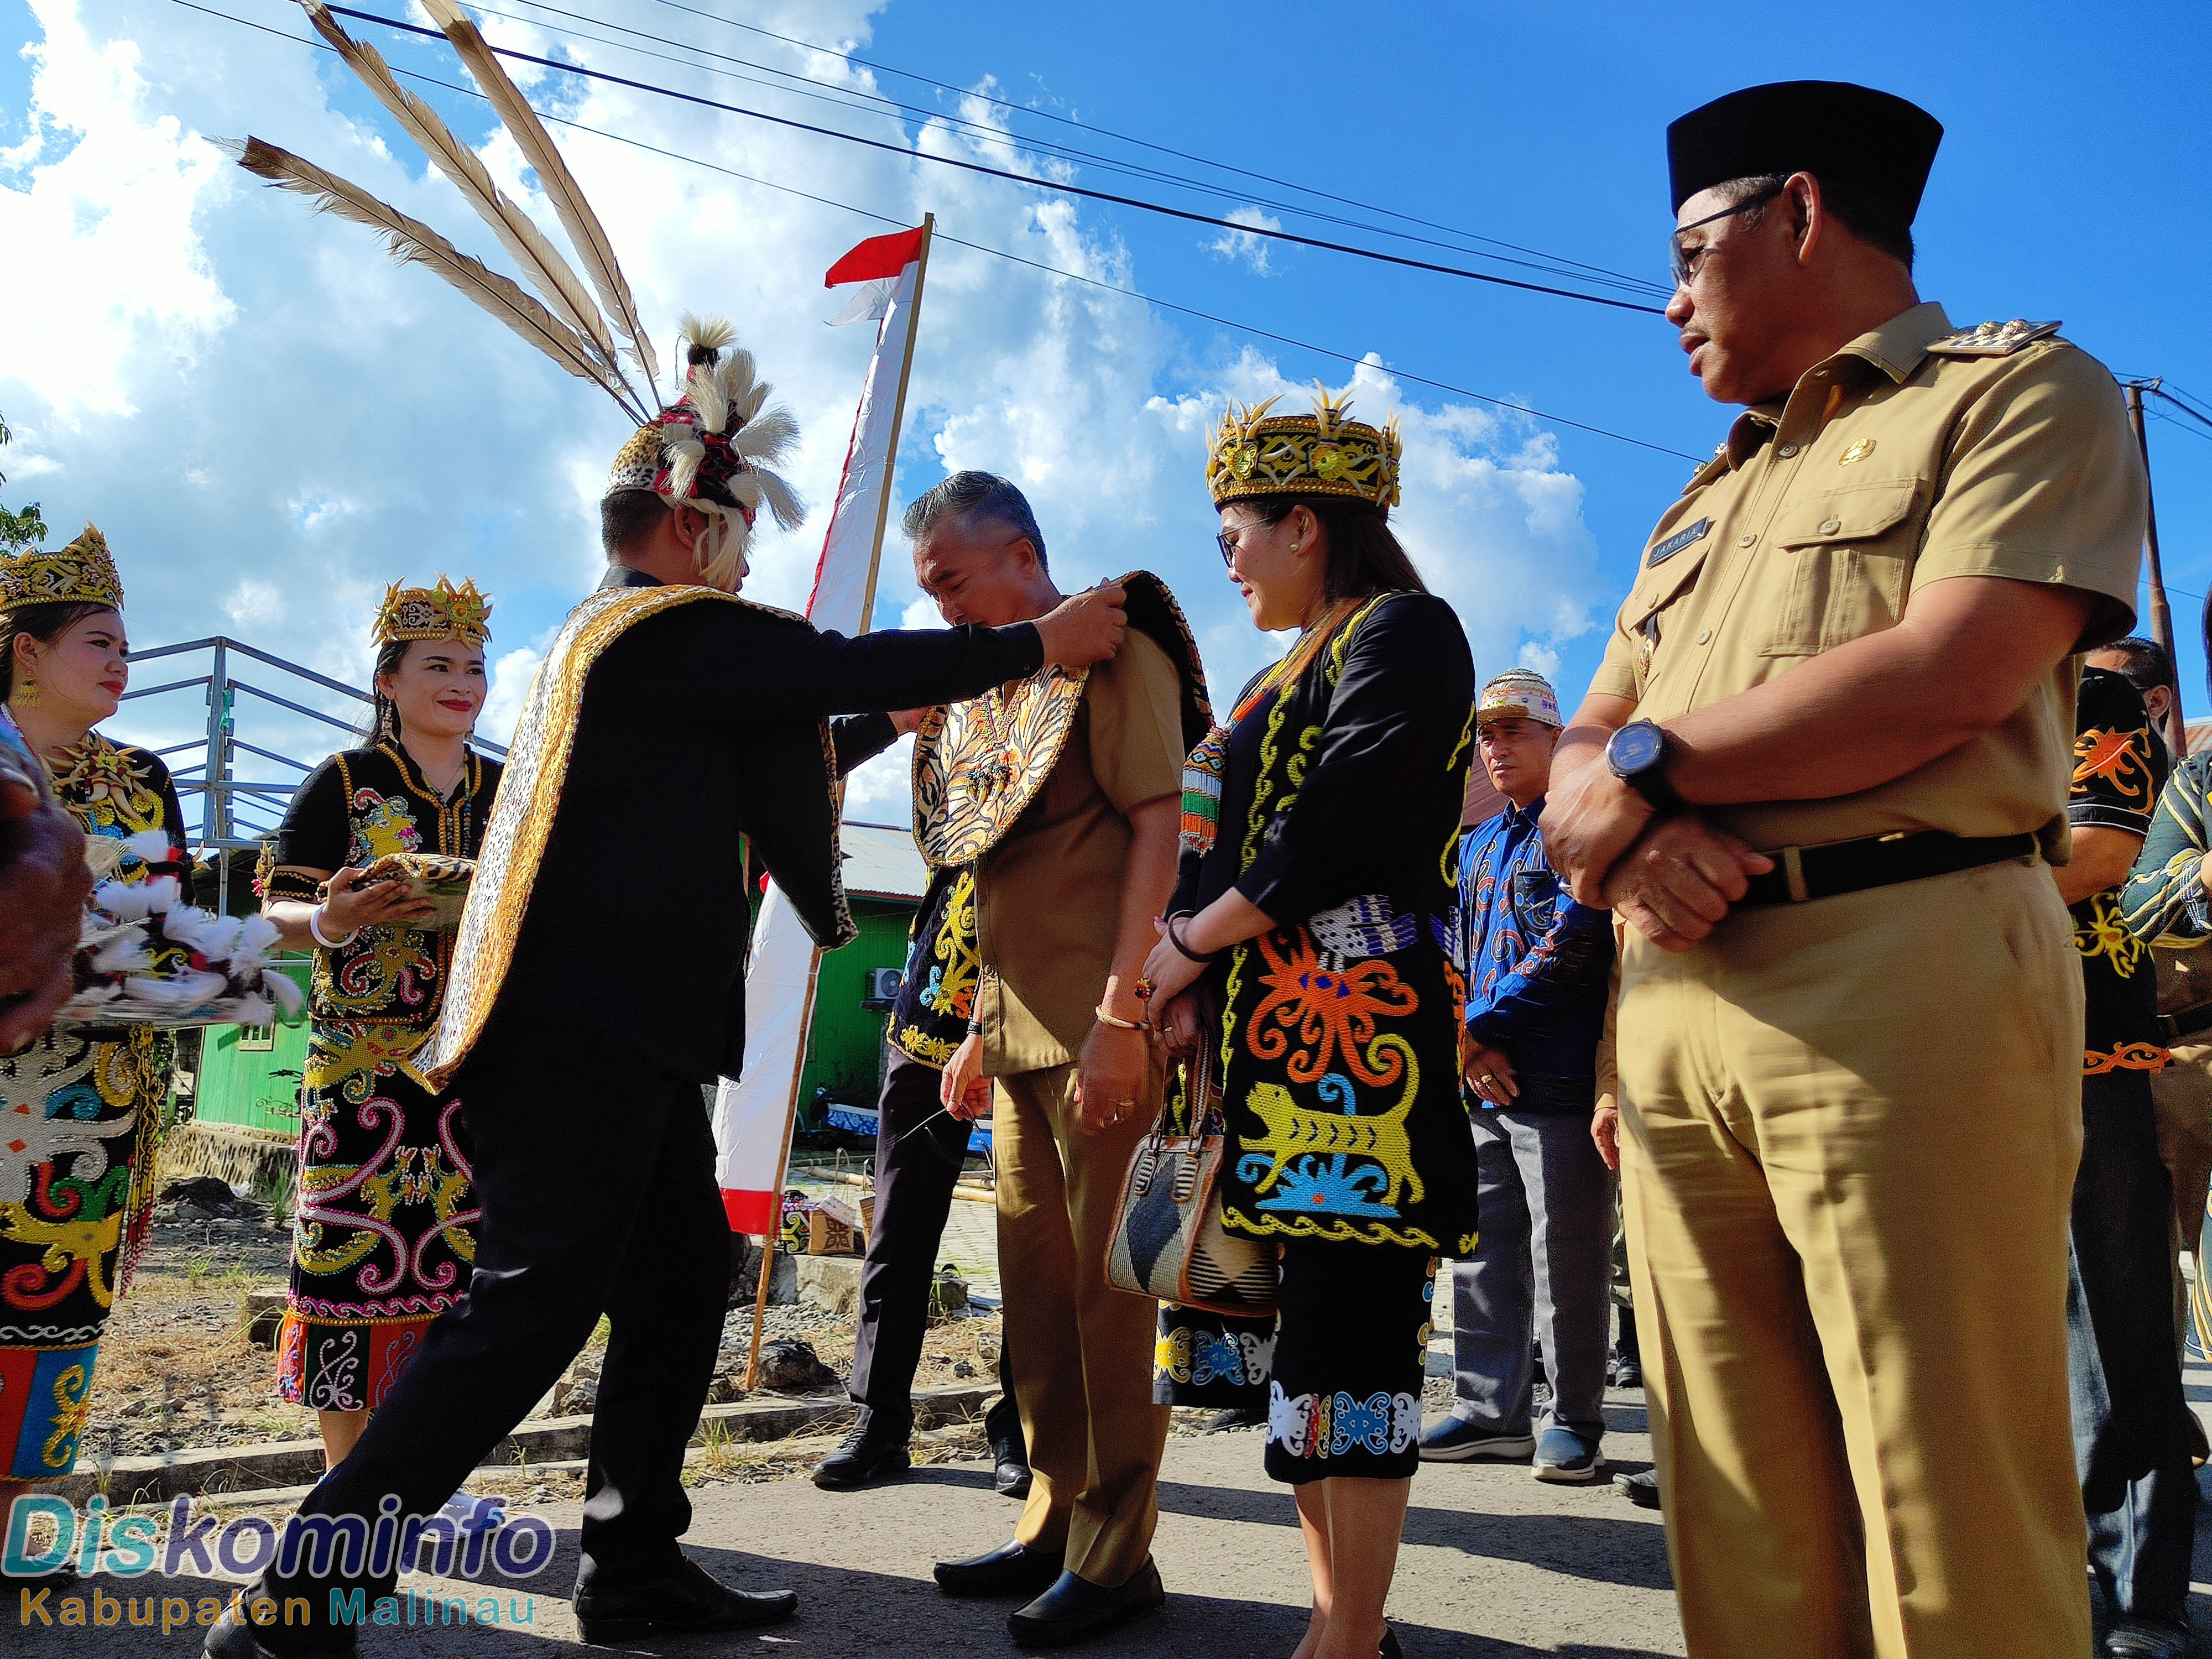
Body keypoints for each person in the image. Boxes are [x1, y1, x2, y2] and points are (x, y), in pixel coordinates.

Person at [207, 330, 1128, 1658]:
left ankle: (632, 1558)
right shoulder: (658, 627)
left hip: (612, 1038)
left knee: (684, 1277)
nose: (748, 564)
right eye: (741, 537)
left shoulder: (617, 648)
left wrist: (891, 718)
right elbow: (824, 672)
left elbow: (774, 742)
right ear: (693, 524)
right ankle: (299, 1594)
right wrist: (1037, 640)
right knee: (524, 1311)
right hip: (583, 1039)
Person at [1538, 81, 2145, 1659]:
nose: (1668, 302)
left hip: (1902, 971)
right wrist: (1632, 835)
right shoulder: (1702, 499)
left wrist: (1645, 780)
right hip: (1676, 1002)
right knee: (1734, 1513)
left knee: (1947, 1514)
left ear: (1798, 213)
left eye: (1688, 255)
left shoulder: (2019, 394)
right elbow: (1578, 751)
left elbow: (1955, 667)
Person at [1144, 393, 1478, 1659]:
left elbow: (1335, 823)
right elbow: (1209, 842)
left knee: (1356, 1336)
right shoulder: (1260, 680)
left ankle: (1349, 1630)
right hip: (1256, 1050)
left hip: (1359, 1053)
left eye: (1234, 533)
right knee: (1296, 1349)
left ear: (1304, 524)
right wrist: (1180, 975)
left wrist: (1190, 945)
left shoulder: (1407, 632)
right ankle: (1339, 1617)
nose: (1226, 559)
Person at [912, 472, 1209, 1648]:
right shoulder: (1000, 689)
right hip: (1020, 1033)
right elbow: (996, 872)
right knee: (1036, 1305)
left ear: (1023, 555)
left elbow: (1157, 827)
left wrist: (1124, 1014)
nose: (942, 609)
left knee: (1114, 1300)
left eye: (952, 581)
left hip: (1104, 1029)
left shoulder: (1115, 649)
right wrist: (980, 1028)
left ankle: (1116, 1550)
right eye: (930, 591)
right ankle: (1054, 1521)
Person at [256, 578, 502, 1481]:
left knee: (467, 1278)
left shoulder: (510, 789)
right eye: (439, 665)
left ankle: (427, 1478)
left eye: (474, 667)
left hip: (477, 1067)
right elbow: (278, 910)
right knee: (343, 1271)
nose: (462, 683)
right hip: (359, 1073)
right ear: (389, 681)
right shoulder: (344, 782)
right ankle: (345, 1483)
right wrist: (335, 917)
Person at [0, 525, 184, 1500]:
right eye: (99, 643)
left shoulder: (142, 780)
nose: (121, 663)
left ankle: (18, 1526)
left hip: (90, 1099)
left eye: (125, 646)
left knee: (57, 1316)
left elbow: (174, 933)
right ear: (28, 651)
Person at [1419, 669, 1615, 1480]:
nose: (1496, 749)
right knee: (1482, 1248)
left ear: (1555, 738)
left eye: (1514, 732)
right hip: (1482, 1079)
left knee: (1566, 1254)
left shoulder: (1577, 825)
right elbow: (1452, 952)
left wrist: (1476, 1028)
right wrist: (1466, 1042)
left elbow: (1577, 942)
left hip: (1560, 1080)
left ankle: (1574, 1419)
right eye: (1487, 736)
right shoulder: (1476, 846)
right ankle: (1488, 1411)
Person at [2052, 664, 2194, 1657]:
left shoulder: (2088, 697)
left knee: (2115, 1323)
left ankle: (2142, 1590)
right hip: (1933, 1041)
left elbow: (2099, 852)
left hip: (2084, 1039)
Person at [812, 860, 1030, 1496]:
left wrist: (983, 1029)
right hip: (928, 1011)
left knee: (1033, 1237)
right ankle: (878, 1420)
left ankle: (1023, 1425)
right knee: (897, 1228)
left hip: (1034, 1011)